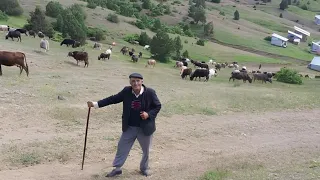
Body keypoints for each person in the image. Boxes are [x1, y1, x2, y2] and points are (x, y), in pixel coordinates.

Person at [87, 73, 161, 177]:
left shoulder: (150, 92)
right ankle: (117, 168)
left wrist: (148, 114)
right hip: (129, 127)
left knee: (146, 150)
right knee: (122, 147)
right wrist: (96, 104)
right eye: (133, 81)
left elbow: (157, 106)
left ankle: (144, 168)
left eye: (138, 81)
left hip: (145, 128)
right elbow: (112, 99)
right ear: (130, 82)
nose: (135, 83)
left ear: (142, 81)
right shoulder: (126, 91)